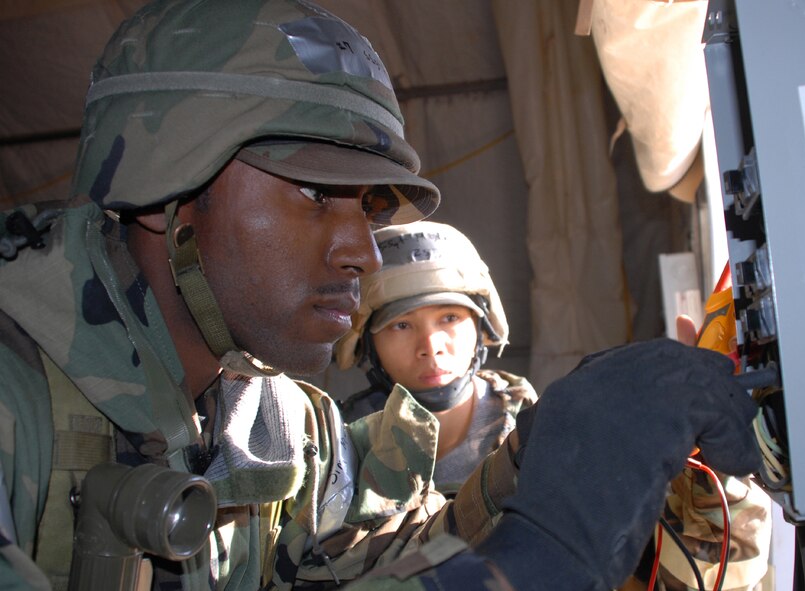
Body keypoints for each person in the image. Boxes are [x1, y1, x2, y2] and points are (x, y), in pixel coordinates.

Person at [0, 1, 763, 590]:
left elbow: (369, 557)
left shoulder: (281, 421)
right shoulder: (17, 399)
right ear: (164, 190)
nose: (362, 249)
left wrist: (537, 451)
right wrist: (534, 560)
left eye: (367, 205)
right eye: (313, 191)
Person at [334, 221, 537, 496]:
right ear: (368, 344)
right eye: (401, 325)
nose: (430, 347)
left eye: (450, 318)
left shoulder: (533, 429)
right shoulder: (339, 447)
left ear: (481, 327)